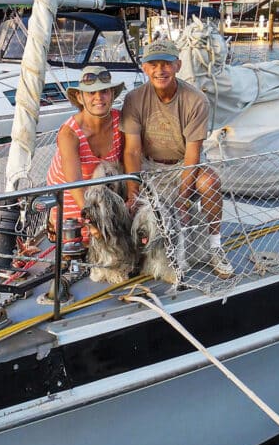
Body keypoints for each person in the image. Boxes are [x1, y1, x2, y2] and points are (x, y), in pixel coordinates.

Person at [121, 39, 234, 278]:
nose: (160, 70)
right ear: (144, 68)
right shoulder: (134, 99)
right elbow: (131, 151)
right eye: (153, 64)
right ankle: (138, 254)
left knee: (210, 183)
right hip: (149, 163)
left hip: (183, 163)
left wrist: (182, 199)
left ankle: (215, 246)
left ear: (178, 65)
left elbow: (193, 153)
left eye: (166, 63)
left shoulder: (195, 100)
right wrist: (133, 190)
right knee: (133, 202)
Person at [45, 65, 125, 237]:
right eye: (91, 93)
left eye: (104, 91)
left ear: (111, 94)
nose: (99, 97)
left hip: (106, 197)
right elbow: (74, 185)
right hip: (73, 201)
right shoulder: (69, 133)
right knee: (86, 239)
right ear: (80, 98)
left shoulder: (121, 121)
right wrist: (91, 220)